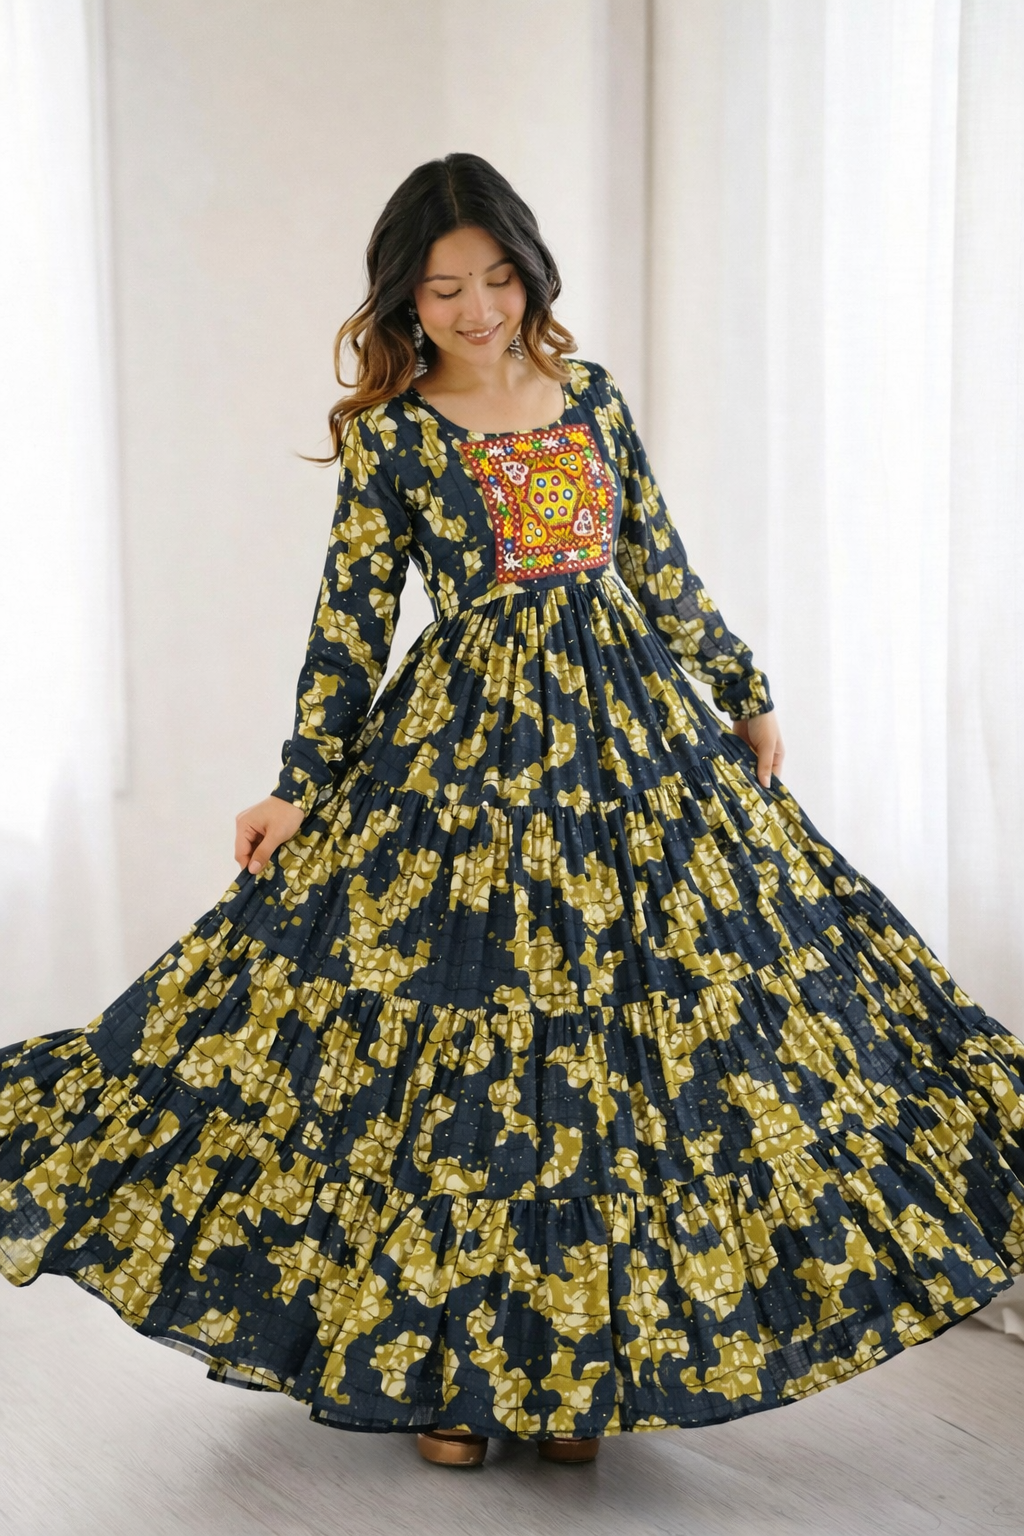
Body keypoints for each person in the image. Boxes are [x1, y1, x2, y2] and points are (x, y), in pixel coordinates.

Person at [1, 153, 1021, 1474]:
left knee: (624, 1049)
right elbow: (351, 622)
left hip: (633, 750)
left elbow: (653, 559)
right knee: (464, 1050)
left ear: (528, 273)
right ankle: (454, 1375)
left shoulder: (590, 398)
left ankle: (578, 1377)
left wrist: (742, 683)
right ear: (404, 303)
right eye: (443, 289)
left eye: (494, 278)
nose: (477, 308)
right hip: (462, 765)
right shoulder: (395, 438)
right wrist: (299, 781)